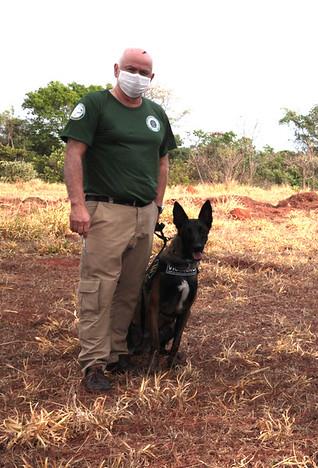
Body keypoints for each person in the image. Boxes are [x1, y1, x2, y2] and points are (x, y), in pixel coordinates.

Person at [61, 48, 176, 392]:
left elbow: (162, 162)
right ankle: (94, 362)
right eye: (130, 69)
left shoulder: (156, 114)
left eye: (143, 72)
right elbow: (74, 153)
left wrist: (157, 206)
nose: (136, 76)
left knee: (129, 287)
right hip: (106, 210)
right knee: (99, 287)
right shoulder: (95, 105)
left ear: (152, 78)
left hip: (144, 213)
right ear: (116, 69)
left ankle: (115, 351)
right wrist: (77, 205)